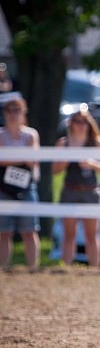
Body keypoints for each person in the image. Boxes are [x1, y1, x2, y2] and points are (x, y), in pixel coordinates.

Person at [52, 103, 100, 267]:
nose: (80, 124)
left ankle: (94, 268)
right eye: (76, 121)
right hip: (70, 190)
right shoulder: (63, 143)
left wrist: (92, 164)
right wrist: (67, 158)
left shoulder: (97, 142)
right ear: (70, 123)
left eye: (83, 121)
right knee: (69, 234)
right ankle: (67, 267)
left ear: (89, 123)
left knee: (91, 235)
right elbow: (55, 170)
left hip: (90, 191)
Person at [0, 97, 40, 270]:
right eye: (9, 110)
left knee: (29, 230)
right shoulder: (1, 134)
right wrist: (23, 157)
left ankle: (32, 267)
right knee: (3, 231)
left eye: (17, 110)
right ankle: (3, 268)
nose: (13, 114)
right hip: (3, 187)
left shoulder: (31, 134)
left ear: (23, 112)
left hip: (26, 187)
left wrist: (11, 158)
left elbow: (33, 160)